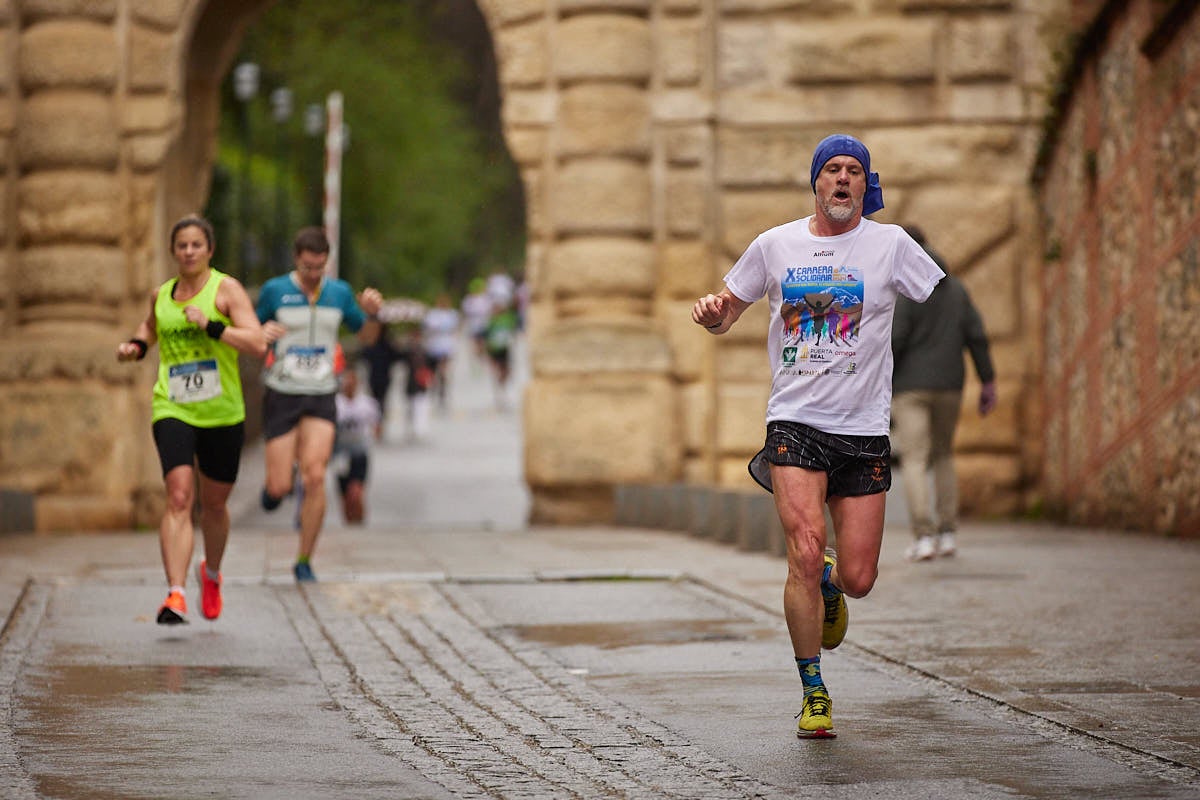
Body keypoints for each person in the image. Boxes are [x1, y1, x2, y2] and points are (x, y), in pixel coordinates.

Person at [691, 134, 945, 738]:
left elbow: (938, 295)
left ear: (865, 186)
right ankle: (814, 690)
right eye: (831, 169)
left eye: (853, 172)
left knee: (858, 578)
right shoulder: (775, 245)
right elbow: (730, 309)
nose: (841, 179)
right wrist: (713, 313)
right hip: (796, 422)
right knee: (804, 550)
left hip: (862, 429)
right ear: (815, 182)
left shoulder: (891, 245)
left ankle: (833, 583)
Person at [116, 214, 266, 624]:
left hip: (222, 412)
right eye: (181, 245)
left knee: (214, 505)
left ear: (209, 250)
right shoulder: (161, 294)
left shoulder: (226, 290)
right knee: (179, 496)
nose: (188, 252)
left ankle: (211, 573)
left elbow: (256, 343)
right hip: (174, 406)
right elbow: (150, 326)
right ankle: (176, 594)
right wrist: (135, 345)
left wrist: (214, 327)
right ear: (173, 251)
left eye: (196, 245)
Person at [256, 226, 383, 582]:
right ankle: (273, 490)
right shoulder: (275, 291)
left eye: (320, 268)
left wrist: (372, 314)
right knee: (281, 485)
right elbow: (249, 328)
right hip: (283, 391)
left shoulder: (339, 293)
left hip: (322, 392)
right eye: (308, 267)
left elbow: (366, 336)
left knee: (315, 475)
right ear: (297, 260)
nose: (314, 275)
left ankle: (304, 559)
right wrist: (261, 333)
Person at [891, 225, 997, 562]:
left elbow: (895, 340)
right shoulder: (957, 290)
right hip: (951, 384)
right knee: (944, 455)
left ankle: (924, 537)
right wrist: (988, 381)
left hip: (910, 388)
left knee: (915, 459)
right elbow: (976, 336)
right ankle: (948, 533)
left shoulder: (905, 291)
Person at [332, 366, 381, 523]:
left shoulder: (367, 403)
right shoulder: (336, 404)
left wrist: (372, 437)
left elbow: (377, 425)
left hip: (359, 452)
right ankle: (348, 522)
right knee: (345, 496)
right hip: (340, 454)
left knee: (356, 492)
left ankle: (360, 520)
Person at [421, 293, 461, 411]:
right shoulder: (432, 315)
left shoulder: (452, 314)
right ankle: (431, 391)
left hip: (446, 348)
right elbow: (427, 328)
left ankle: (442, 395)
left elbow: (455, 328)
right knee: (432, 373)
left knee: (443, 372)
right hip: (433, 347)